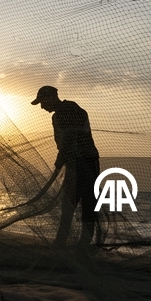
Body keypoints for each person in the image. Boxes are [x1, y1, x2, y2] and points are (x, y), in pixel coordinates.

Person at [30, 86, 101, 248]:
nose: (42, 107)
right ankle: (73, 243)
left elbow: (70, 138)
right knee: (81, 204)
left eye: (42, 102)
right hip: (83, 161)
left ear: (51, 98)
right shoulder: (66, 111)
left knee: (76, 204)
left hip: (81, 162)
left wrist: (59, 161)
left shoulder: (66, 111)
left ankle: (67, 244)